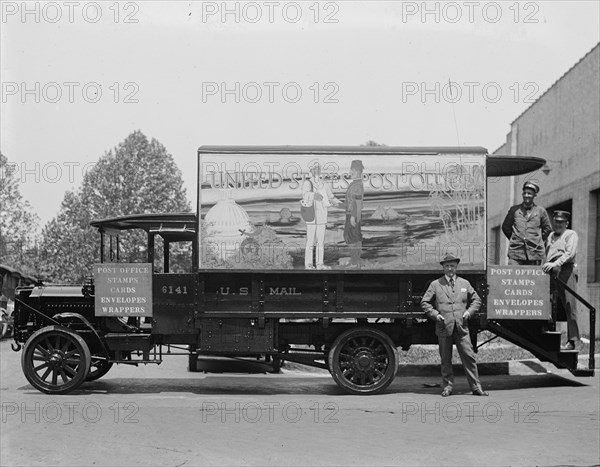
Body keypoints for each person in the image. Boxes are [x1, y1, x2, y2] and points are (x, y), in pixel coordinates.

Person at [421, 254, 488, 397]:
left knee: (469, 357)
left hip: (462, 328)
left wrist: (469, 312)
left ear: (456, 267)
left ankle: (476, 387)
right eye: (447, 266)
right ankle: (447, 387)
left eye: (452, 266)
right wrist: (435, 315)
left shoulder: (464, 283)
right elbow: (424, 303)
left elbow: (477, 300)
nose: (449, 269)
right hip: (444, 327)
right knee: (445, 360)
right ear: (443, 268)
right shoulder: (435, 284)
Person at [542, 210, 582, 350]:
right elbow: (546, 254)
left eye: (561, 222)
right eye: (556, 222)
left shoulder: (571, 234)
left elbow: (570, 253)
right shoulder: (551, 236)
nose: (558, 224)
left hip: (566, 270)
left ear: (567, 223)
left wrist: (555, 264)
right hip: (551, 272)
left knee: (570, 305)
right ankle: (550, 339)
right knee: (550, 303)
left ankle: (572, 341)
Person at [502, 180, 552, 265]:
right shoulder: (514, 210)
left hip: (535, 253)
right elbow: (505, 227)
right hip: (516, 252)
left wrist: (537, 240)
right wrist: (515, 238)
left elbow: (547, 229)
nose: (526, 195)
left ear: (534, 195)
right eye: (524, 193)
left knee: (532, 278)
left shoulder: (541, 211)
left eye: (529, 193)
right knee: (514, 276)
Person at [302, 161, 340, 270]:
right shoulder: (308, 183)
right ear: (311, 171)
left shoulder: (324, 183)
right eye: (314, 169)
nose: (316, 171)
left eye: (318, 169)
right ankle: (308, 264)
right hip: (311, 217)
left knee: (320, 242)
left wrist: (343, 206)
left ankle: (319, 264)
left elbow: (331, 197)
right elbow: (305, 195)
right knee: (310, 242)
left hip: (322, 216)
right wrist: (314, 195)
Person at [344, 160, 364, 268]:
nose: (350, 172)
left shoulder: (357, 185)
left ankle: (355, 262)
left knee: (352, 237)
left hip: (353, 215)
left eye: (352, 170)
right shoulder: (356, 183)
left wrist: (353, 216)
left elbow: (358, 202)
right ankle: (355, 261)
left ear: (357, 171)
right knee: (352, 236)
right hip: (351, 214)